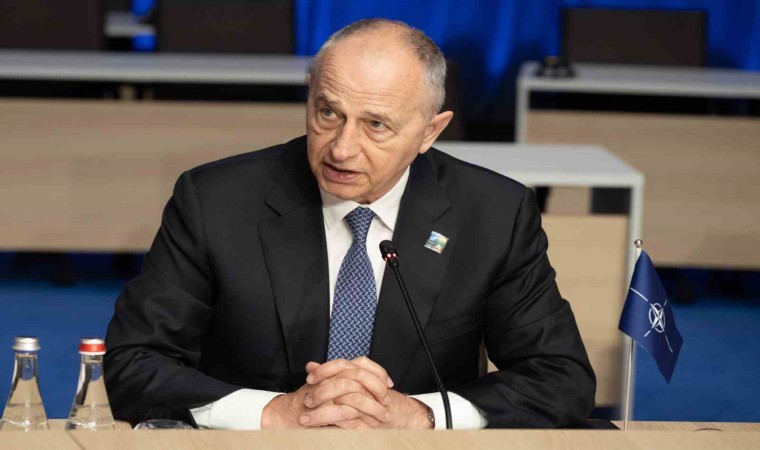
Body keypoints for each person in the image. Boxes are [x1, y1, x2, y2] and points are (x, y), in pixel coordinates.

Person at [104, 18, 595, 430]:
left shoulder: (493, 213)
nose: (341, 149)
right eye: (328, 113)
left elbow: (560, 377)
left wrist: (421, 415)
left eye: (376, 125)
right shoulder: (215, 200)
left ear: (431, 131)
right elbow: (134, 363)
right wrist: (272, 413)